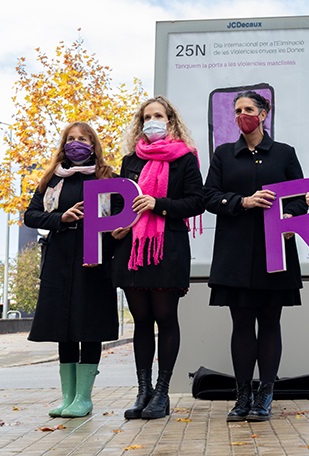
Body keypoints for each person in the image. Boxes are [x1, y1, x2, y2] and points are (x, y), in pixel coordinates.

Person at [203, 91, 306, 422]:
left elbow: (301, 196)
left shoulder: (284, 154)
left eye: (248, 109)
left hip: (274, 252)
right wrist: (242, 202)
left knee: (270, 322)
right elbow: (209, 196)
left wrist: (291, 216)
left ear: (264, 114)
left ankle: (265, 395)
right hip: (234, 253)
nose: (242, 115)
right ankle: (242, 395)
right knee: (242, 324)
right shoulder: (223, 155)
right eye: (237, 111)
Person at [111, 96, 204, 420]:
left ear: (170, 121)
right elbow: (120, 205)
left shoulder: (185, 159)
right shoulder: (129, 161)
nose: (152, 121)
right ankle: (143, 391)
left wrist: (158, 203)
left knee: (165, 318)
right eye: (147, 116)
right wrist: (116, 225)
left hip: (168, 248)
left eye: (158, 116)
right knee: (141, 322)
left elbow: (196, 203)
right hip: (132, 249)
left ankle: (162, 393)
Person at [24, 121, 118, 418]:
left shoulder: (107, 177)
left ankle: (84, 398)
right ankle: (67, 397)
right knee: (64, 327)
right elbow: (31, 215)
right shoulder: (52, 179)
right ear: (64, 143)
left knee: (88, 325)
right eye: (71, 138)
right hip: (60, 259)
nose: (76, 143)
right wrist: (61, 217)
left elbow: (120, 216)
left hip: (94, 259)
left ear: (93, 144)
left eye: (83, 138)